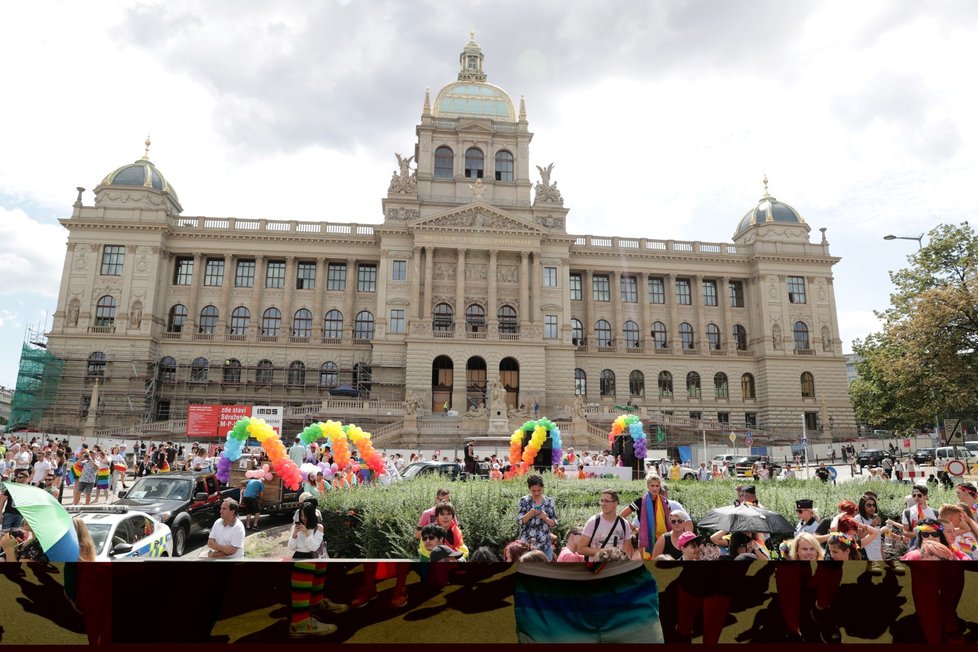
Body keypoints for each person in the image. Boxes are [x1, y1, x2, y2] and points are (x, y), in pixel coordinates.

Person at [620, 472, 672, 560]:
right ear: (648, 486)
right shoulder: (639, 502)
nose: (655, 488)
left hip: (662, 539)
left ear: (660, 486)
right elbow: (621, 515)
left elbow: (671, 519)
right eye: (652, 485)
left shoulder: (665, 502)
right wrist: (634, 529)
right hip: (645, 539)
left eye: (657, 485)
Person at [578, 490, 634, 559]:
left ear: (615, 503)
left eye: (607, 501)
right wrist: (606, 553)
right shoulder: (593, 522)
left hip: (617, 567)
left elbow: (627, 550)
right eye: (601, 501)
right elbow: (581, 549)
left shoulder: (624, 524)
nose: (603, 504)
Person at [516, 474, 558, 560]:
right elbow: (520, 521)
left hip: (544, 544)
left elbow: (554, 523)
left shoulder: (549, 501)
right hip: (527, 543)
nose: (536, 493)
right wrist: (529, 514)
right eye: (533, 491)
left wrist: (545, 518)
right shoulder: (524, 500)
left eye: (539, 490)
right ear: (529, 489)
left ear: (542, 488)